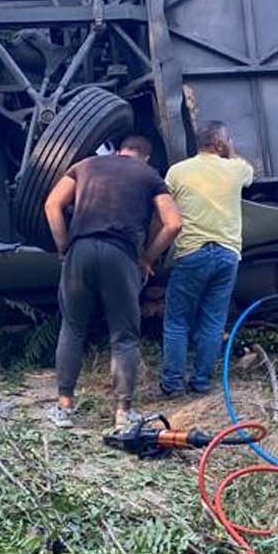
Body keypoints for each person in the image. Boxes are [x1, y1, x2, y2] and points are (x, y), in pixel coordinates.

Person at [43, 135, 182, 430]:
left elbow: (52, 205)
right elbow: (173, 223)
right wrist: (147, 258)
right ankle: (123, 413)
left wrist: (64, 247)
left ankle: (64, 408)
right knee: (124, 336)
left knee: (73, 327)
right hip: (121, 255)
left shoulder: (86, 165)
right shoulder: (149, 175)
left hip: (80, 250)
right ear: (144, 157)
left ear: (119, 151)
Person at [160, 120, 255, 397]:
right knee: (213, 321)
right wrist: (232, 150)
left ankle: (173, 384)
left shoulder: (177, 172)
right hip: (227, 254)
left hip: (192, 252)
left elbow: (164, 209)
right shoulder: (235, 169)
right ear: (220, 144)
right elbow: (251, 173)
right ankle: (201, 381)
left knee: (177, 321)